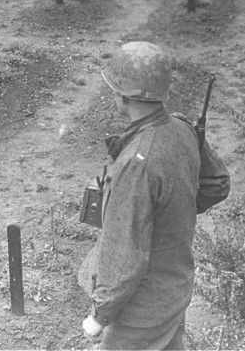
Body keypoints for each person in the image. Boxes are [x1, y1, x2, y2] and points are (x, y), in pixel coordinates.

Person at [78, 41, 227, 350]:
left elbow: (124, 257)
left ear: (123, 95)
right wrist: (173, 210)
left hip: (139, 314)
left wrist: (99, 317)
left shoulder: (136, 165)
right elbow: (216, 184)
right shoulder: (183, 129)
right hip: (173, 291)